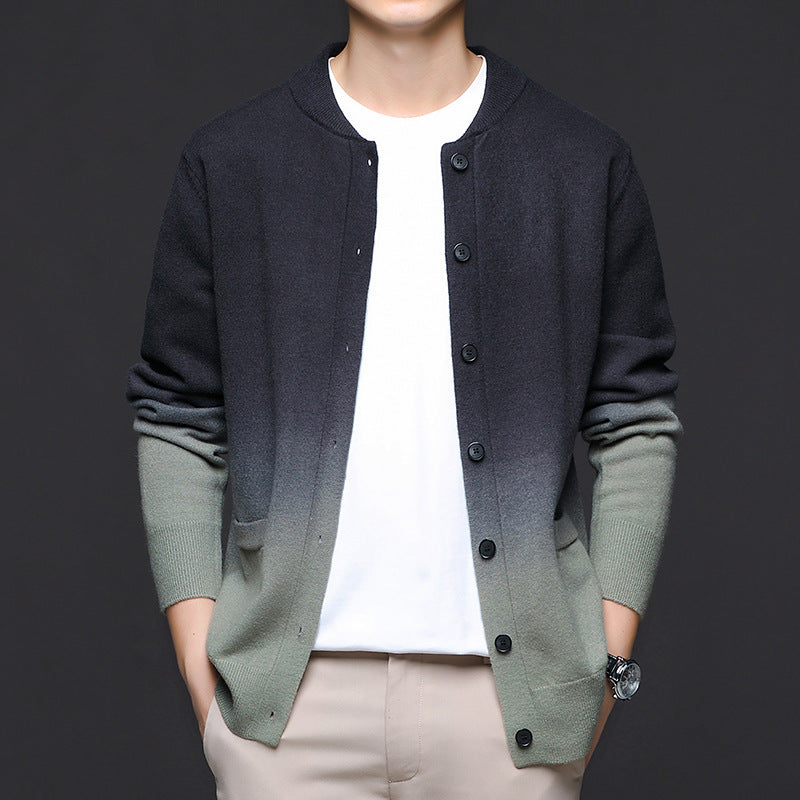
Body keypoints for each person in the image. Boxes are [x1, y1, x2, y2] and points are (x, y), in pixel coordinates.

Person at [125, 1, 683, 798]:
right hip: (283, 715)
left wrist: (608, 658)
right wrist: (195, 659)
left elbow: (636, 420)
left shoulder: (582, 162)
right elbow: (178, 414)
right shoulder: (234, 158)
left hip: (514, 720)